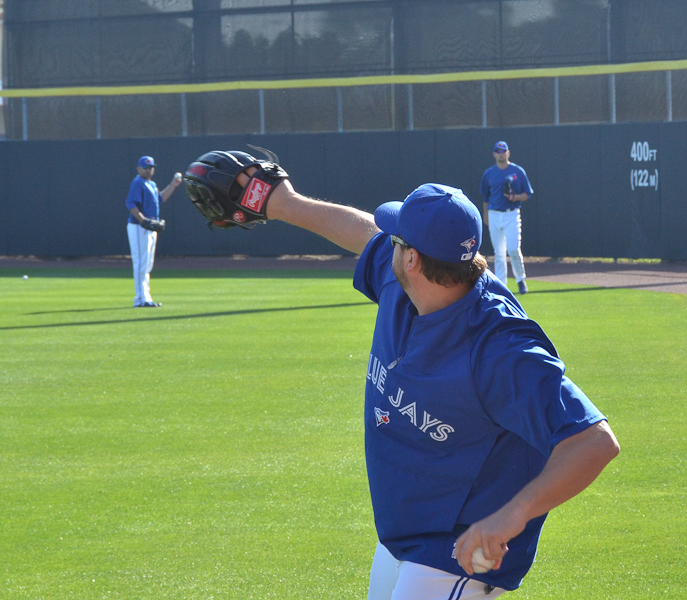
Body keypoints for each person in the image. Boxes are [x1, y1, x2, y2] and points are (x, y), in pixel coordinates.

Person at [235, 168, 619, 600]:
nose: (387, 243)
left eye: (397, 240)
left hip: (458, 549)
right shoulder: (410, 281)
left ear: (413, 258)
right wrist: (282, 203)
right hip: (404, 532)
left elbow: (594, 441)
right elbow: (363, 230)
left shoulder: (500, 347)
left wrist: (513, 516)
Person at [125, 156, 182, 307]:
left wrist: (173, 185)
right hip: (138, 227)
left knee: (148, 264)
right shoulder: (138, 183)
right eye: (145, 167)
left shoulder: (151, 184)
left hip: (150, 227)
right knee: (141, 263)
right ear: (138, 169)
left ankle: (146, 297)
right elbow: (130, 204)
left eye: (150, 167)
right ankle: (140, 299)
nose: (148, 169)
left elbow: (160, 198)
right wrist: (143, 220)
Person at [479, 141, 533, 294]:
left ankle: (521, 280)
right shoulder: (489, 173)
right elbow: (485, 197)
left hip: (512, 214)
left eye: (503, 151)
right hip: (494, 213)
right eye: (498, 151)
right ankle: (501, 286)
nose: (501, 153)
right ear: (494, 154)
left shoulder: (517, 171)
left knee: (513, 249)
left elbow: (527, 194)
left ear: (508, 153)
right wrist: (486, 215)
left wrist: (514, 197)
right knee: (499, 253)